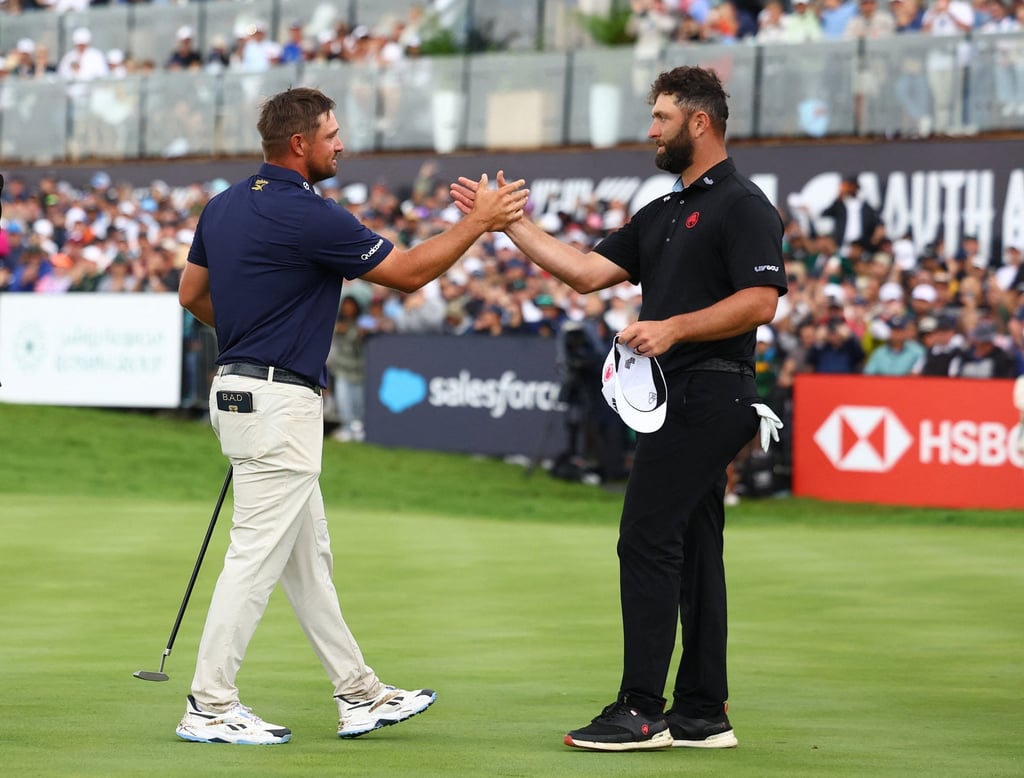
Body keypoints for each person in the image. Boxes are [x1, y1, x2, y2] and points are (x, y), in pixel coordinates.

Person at [175, 86, 529, 746]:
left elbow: (192, 294)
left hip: (242, 393)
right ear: (299, 144)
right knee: (254, 559)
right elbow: (410, 273)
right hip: (278, 403)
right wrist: (478, 223)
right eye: (332, 134)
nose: (341, 143)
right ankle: (209, 703)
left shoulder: (221, 207)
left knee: (307, 560)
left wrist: (251, 334)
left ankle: (359, 693)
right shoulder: (313, 215)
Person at [452, 65, 787, 752]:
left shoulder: (742, 204)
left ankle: (640, 710)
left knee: (645, 537)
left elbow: (761, 301)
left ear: (700, 122)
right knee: (693, 548)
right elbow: (582, 272)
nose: (651, 129)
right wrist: (508, 224)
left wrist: (672, 327)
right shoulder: (663, 211)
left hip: (712, 390)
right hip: (679, 397)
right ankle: (700, 713)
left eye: (661, 117)